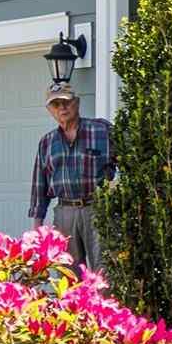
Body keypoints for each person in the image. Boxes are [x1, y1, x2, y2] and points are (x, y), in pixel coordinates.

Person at [28, 86, 114, 268]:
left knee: (104, 271)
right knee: (67, 272)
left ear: (77, 102)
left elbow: (130, 160)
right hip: (64, 212)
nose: (62, 108)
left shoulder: (102, 131)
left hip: (97, 209)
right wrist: (37, 225)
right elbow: (39, 185)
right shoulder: (47, 142)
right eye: (56, 104)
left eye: (66, 102)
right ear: (49, 110)